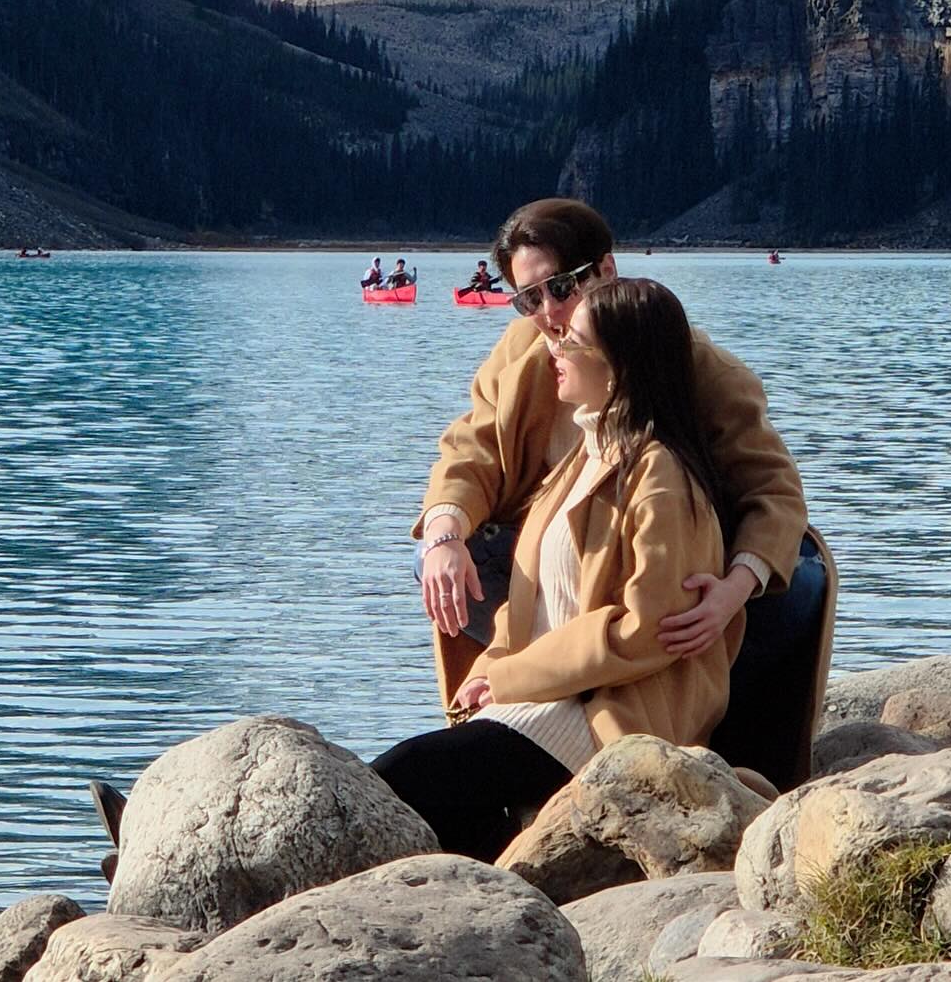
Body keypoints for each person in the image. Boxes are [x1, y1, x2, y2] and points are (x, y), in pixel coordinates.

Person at [86, 281, 729, 874]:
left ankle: (191, 870)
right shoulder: (585, 458)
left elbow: (645, 631)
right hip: (544, 699)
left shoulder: (659, 475)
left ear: (618, 366)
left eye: (572, 338)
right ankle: (185, 865)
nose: (551, 341)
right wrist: (495, 660)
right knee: (448, 819)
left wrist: (507, 675)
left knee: (403, 773)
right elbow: (533, 597)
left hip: (603, 717)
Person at [415, 196, 833, 790]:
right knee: (439, 559)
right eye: (528, 299)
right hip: (557, 564)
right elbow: (470, 450)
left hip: (665, 573)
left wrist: (732, 591)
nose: (548, 315)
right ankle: (503, 700)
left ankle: (740, 754)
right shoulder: (521, 353)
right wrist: (444, 533)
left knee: (801, 578)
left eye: (560, 289)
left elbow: (776, 492)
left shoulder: (695, 367)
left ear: (606, 271)